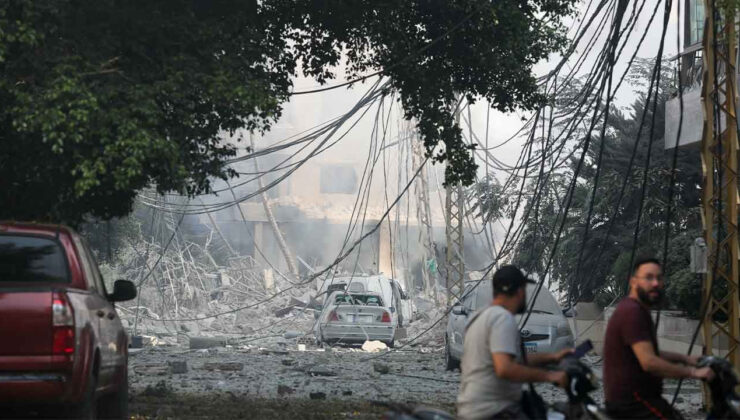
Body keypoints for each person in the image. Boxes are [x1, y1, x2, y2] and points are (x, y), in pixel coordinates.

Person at [603, 256, 714, 419]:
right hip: (634, 404)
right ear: (633, 282)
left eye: (659, 278)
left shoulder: (637, 309)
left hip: (638, 400)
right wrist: (694, 373)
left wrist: (685, 358)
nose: (655, 283)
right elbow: (649, 362)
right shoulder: (632, 312)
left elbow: (649, 352)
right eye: (648, 277)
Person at [457, 265, 573, 420]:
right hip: (494, 411)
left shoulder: (480, 317)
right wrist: (550, 376)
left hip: (472, 408)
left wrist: (552, 357)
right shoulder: (502, 319)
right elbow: (504, 368)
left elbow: (507, 358)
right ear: (519, 292)